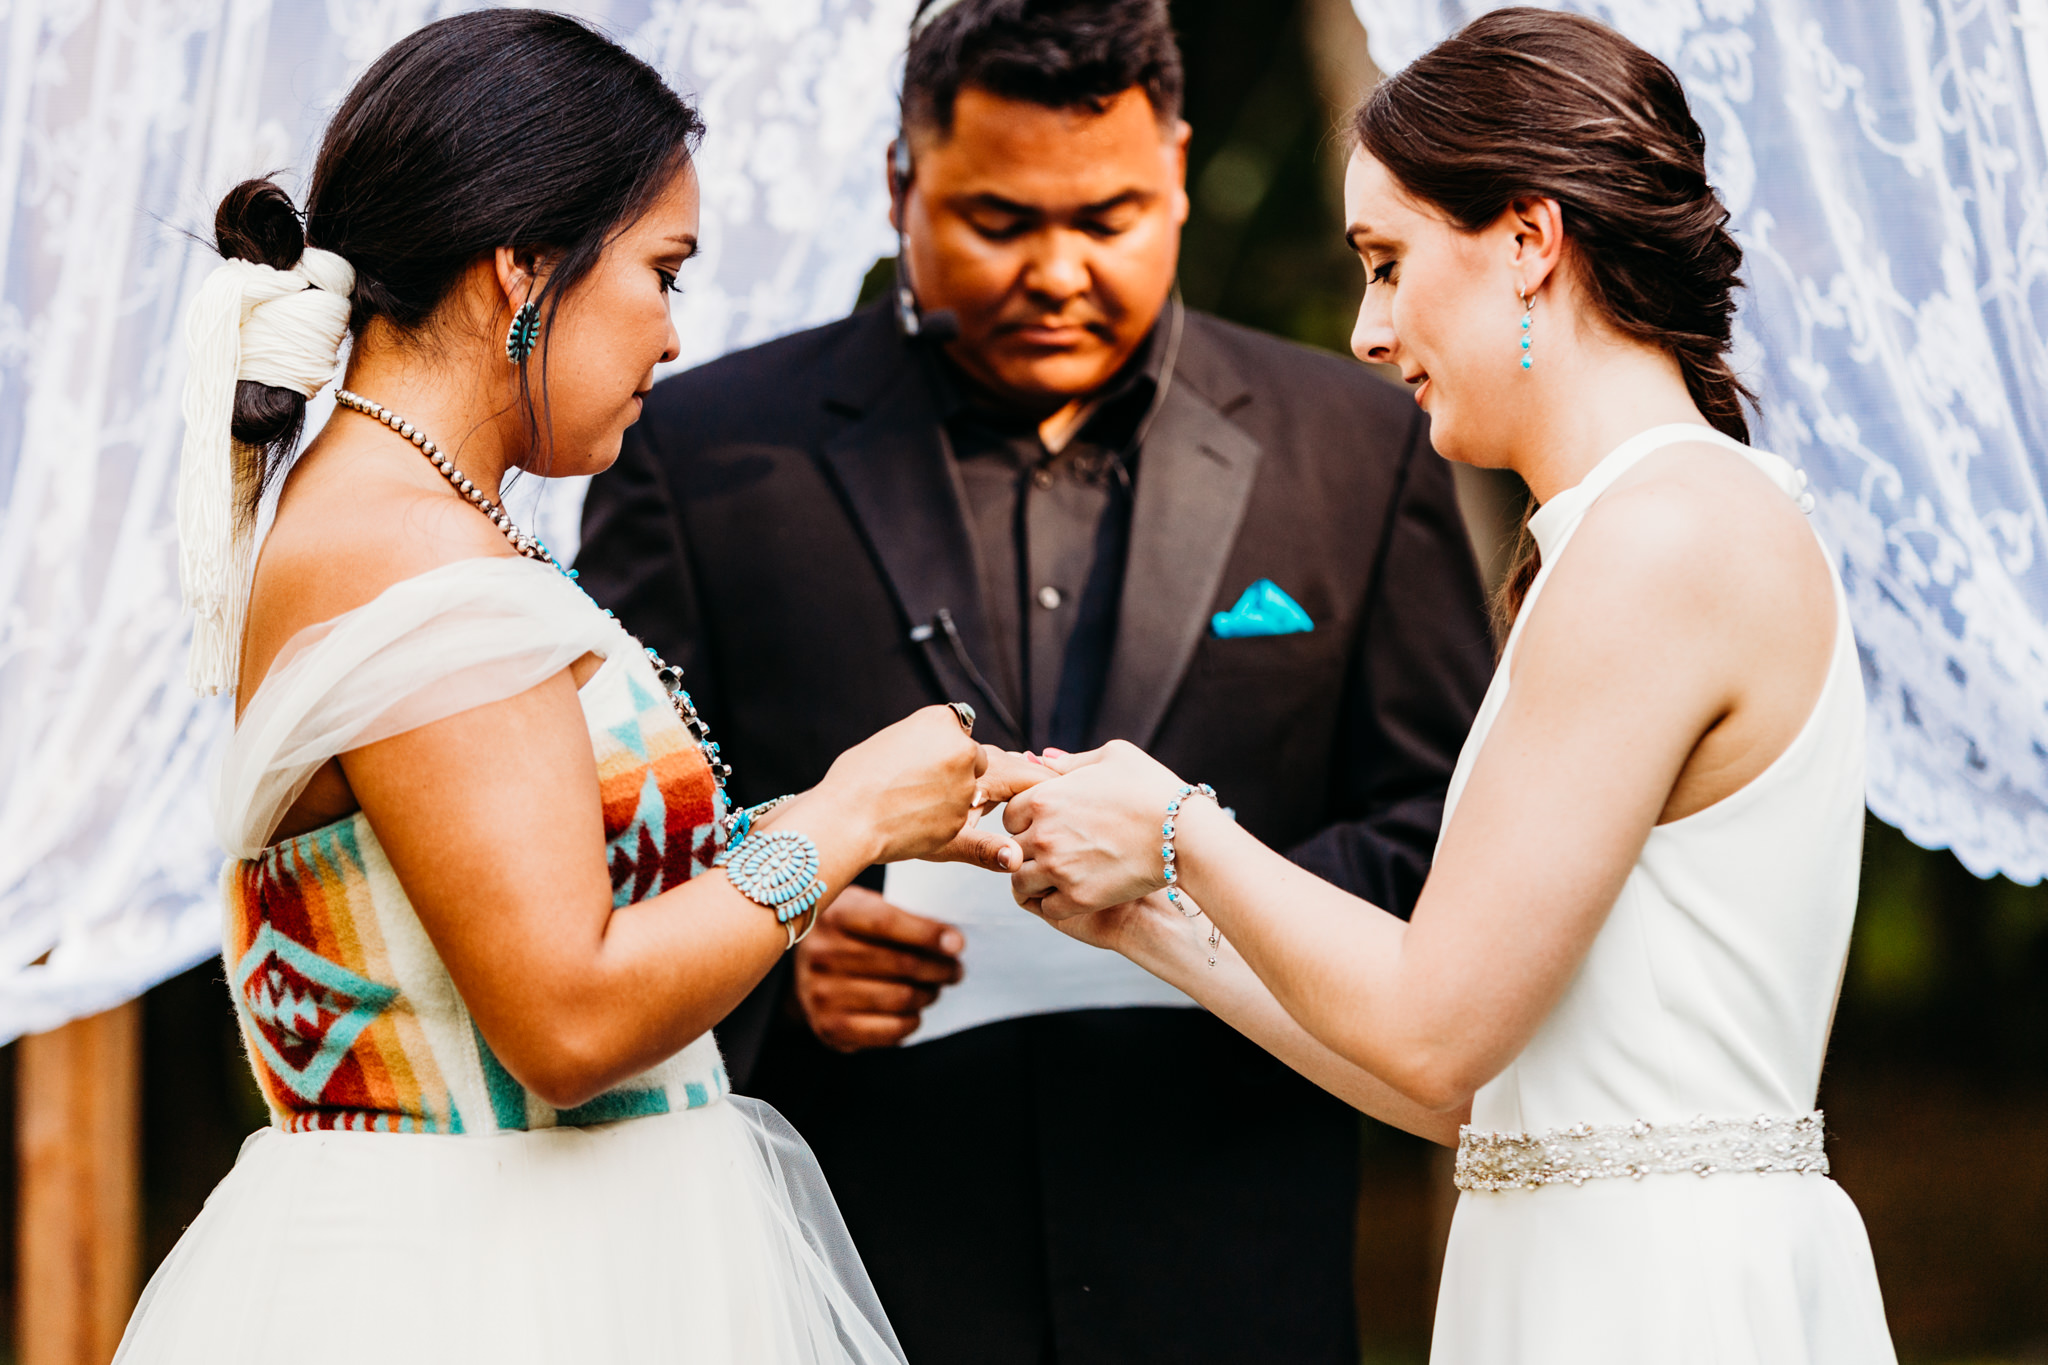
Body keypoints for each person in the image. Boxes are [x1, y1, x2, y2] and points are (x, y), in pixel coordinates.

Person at [574, 0, 1492, 1359]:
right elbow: (614, 856)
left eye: (1110, 217)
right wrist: (779, 952)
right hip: (849, 1279)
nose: (1058, 271)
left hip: (1234, 1263)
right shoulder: (698, 452)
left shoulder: (1358, 445)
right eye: (1000, 222)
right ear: (901, 185)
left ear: (1178, 169)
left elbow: (1452, 839)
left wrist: (1201, 880)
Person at [120, 12, 1029, 1362]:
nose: (673, 334)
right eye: (663, 271)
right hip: (485, 1290)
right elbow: (567, 1015)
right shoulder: (401, 546)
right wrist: (843, 819)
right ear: (526, 271)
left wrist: (845, 824)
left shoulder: (417, 509)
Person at [1002, 9, 1900, 1362]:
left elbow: (1433, 1029)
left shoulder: (1666, 540)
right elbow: (1466, 1088)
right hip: (1578, 1268)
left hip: (1657, 1302)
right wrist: (1145, 920)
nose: (1367, 331)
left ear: (1530, 242)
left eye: (1386, 262)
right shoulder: (1627, 531)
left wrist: (1183, 825)